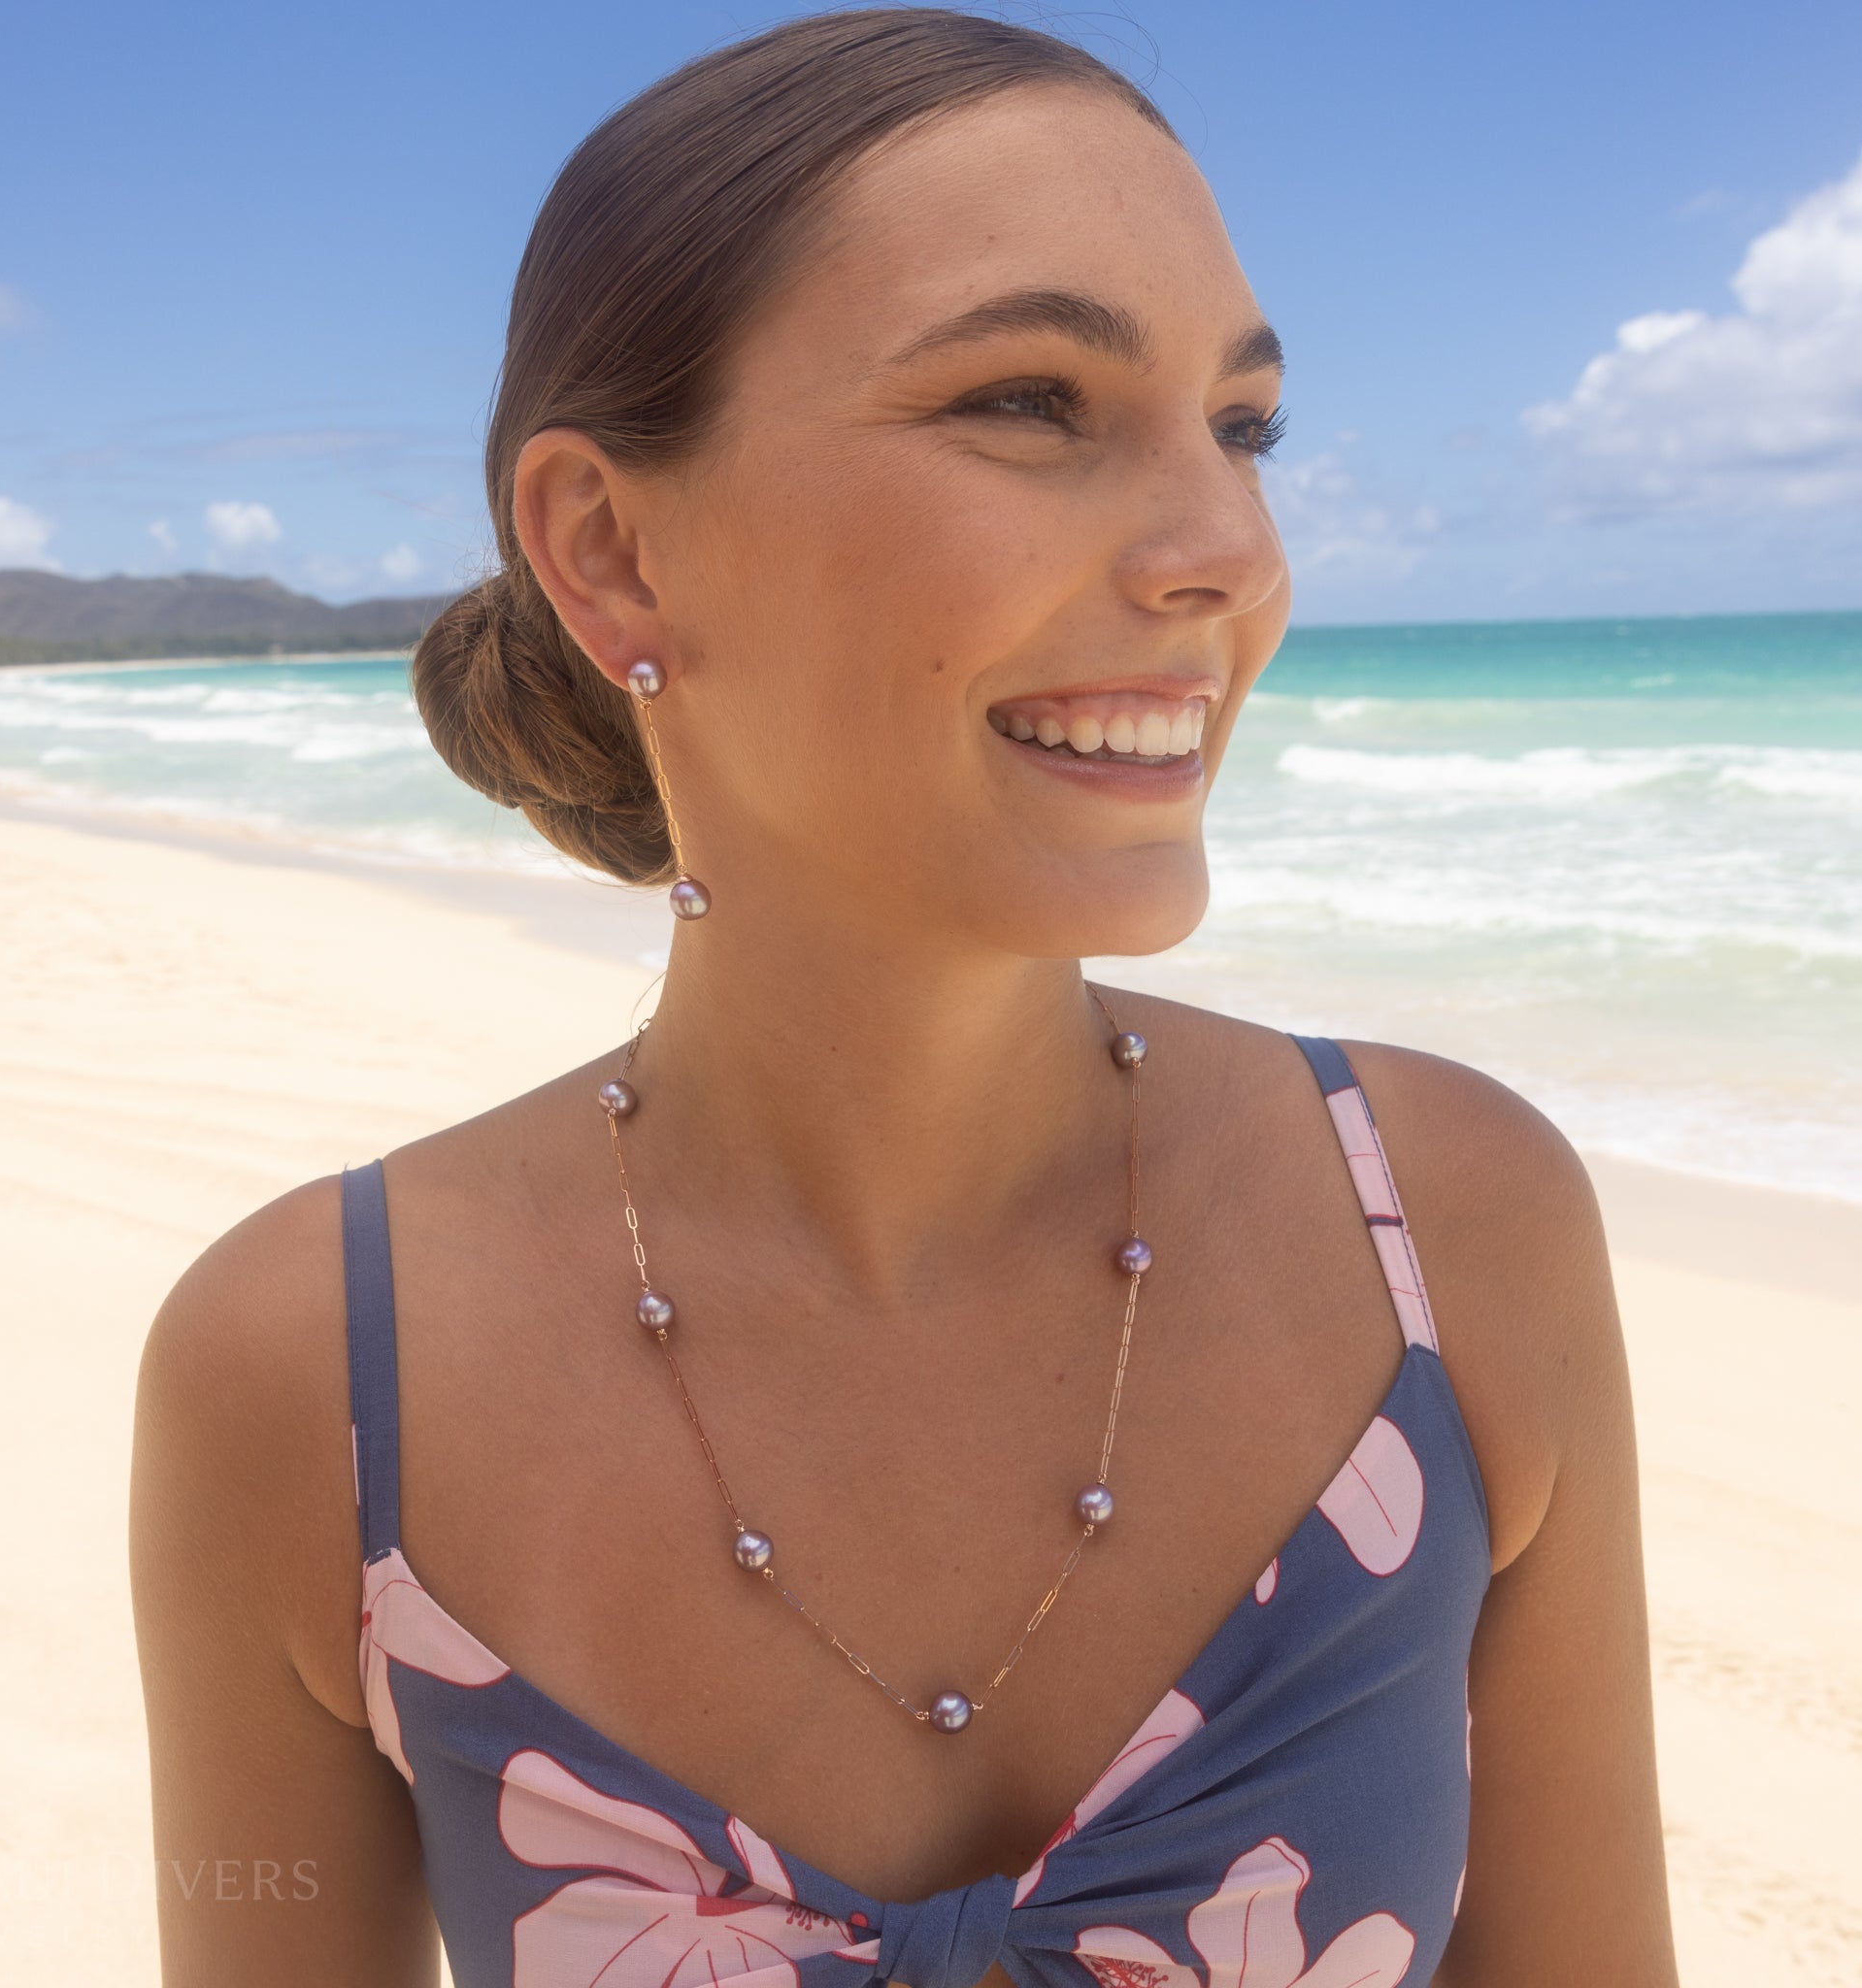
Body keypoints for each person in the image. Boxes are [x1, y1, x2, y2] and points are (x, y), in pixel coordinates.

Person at [129, 10, 1680, 1985]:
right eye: (1030, 401)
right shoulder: (304, 1381)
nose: (1229, 550)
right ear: (609, 550)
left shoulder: (1451, 1233)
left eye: (1244, 424)